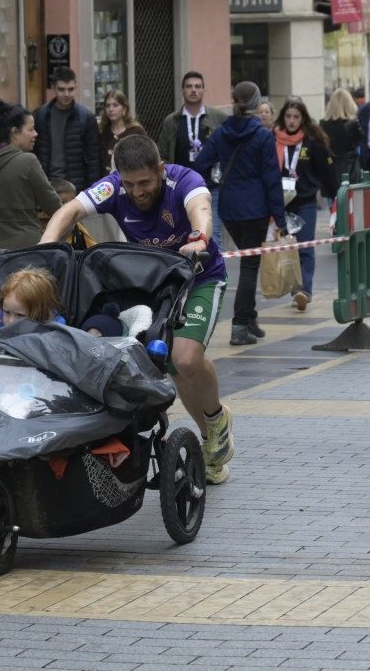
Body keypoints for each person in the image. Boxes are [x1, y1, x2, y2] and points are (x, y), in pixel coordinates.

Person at [40, 134, 236, 484]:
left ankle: (217, 418)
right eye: (129, 184)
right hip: (157, 283)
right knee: (172, 365)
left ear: (161, 169)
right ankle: (210, 439)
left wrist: (200, 238)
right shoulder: (114, 188)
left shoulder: (184, 181)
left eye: (145, 182)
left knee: (187, 358)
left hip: (200, 277)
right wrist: (42, 252)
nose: (137, 191)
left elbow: (202, 210)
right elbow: (68, 211)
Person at [193, 81, 287, 346]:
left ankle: (250, 318)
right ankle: (239, 326)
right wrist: (280, 218)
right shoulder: (262, 135)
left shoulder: (221, 132)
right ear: (257, 104)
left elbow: (201, 163)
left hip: (229, 208)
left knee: (247, 261)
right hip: (255, 208)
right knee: (249, 266)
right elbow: (271, 179)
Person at [0, 100, 62, 261]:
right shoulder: (28, 162)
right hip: (25, 256)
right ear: (14, 132)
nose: (36, 134)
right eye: (31, 129)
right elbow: (54, 207)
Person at [275, 97, 338, 311]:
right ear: (283, 118)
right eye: (288, 116)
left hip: (305, 201)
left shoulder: (312, 140)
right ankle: (295, 288)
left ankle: (304, 290)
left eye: (296, 117)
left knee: (305, 246)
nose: (292, 121)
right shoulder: (274, 139)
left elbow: (327, 169)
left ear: (302, 119)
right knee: (288, 249)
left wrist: (335, 193)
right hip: (281, 202)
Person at [158, 72, 228, 247]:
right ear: (182, 91)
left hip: (211, 186)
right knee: (181, 235)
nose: (193, 90)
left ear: (204, 90)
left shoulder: (218, 118)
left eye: (198, 86)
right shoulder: (172, 121)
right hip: (180, 188)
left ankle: (218, 274)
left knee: (212, 235)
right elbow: (163, 154)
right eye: (189, 86)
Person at [33, 66, 102, 194]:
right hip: (47, 183)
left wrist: (91, 190)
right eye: (61, 89)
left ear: (76, 87)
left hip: (77, 186)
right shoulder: (41, 115)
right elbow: (35, 151)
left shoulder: (86, 117)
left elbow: (94, 158)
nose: (66, 94)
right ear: (53, 87)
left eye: (70, 89)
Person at [0, 268, 68, 331]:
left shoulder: (54, 330)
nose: (11, 322)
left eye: (20, 315)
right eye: (7, 312)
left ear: (40, 314)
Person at [320, 88, 363, 186]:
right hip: (350, 169)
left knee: (333, 199)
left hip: (330, 167)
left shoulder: (323, 124)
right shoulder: (352, 124)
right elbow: (363, 140)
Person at [98, 89, 146, 170]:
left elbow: (145, 158)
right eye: (107, 105)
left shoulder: (136, 131)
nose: (111, 109)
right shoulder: (102, 131)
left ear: (124, 109)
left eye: (115, 105)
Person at [49, 178, 97, 250]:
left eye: (70, 204)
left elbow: (93, 248)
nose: (66, 208)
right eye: (61, 203)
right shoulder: (39, 224)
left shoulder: (77, 226)